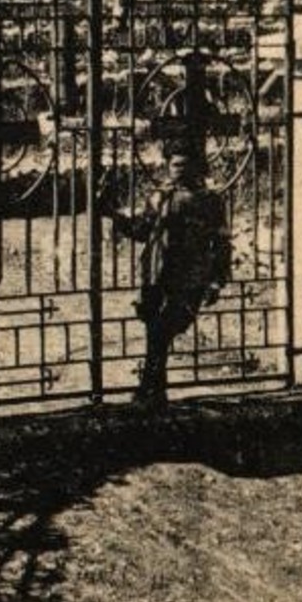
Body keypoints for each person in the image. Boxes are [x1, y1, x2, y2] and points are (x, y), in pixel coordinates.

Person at [110, 139, 230, 408]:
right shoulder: (159, 196)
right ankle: (155, 392)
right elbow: (142, 231)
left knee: (163, 330)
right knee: (155, 331)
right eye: (174, 164)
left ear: (197, 167)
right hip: (156, 273)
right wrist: (115, 217)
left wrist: (216, 281)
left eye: (184, 165)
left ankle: (148, 389)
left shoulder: (210, 200)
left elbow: (221, 242)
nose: (178, 170)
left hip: (190, 277)